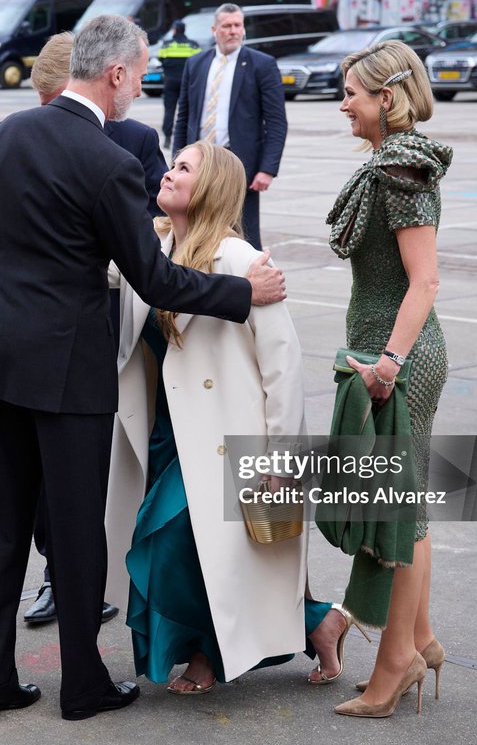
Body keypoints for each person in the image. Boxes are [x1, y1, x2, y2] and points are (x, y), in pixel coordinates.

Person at [0, 13, 287, 724]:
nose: (140, 89)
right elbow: (156, 279)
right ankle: (83, 686)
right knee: (77, 534)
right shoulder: (107, 161)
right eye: (140, 76)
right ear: (114, 75)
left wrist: (31, 268)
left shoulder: (7, 132)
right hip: (70, 368)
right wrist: (243, 293)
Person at [104, 140, 358, 696]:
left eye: (183, 168)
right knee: (201, 549)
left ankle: (206, 654)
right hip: (165, 430)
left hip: (226, 435)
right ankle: (319, 621)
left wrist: (282, 459)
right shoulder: (153, 250)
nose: (168, 173)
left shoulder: (243, 262)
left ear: (211, 188)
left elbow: (282, 366)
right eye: (172, 165)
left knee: (175, 541)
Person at [18, 31, 164, 628]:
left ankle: (105, 572)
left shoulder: (133, 140)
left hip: (114, 317)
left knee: (105, 459)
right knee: (47, 471)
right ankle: (58, 571)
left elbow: (163, 215)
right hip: (50, 325)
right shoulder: (26, 134)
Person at [326, 39, 451, 718]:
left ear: (387, 98)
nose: (343, 102)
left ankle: (395, 662)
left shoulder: (402, 166)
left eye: (352, 92)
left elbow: (424, 279)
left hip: (399, 358)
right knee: (406, 509)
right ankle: (421, 638)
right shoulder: (384, 159)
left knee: (404, 514)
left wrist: (391, 361)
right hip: (381, 351)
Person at [174, 4, 287, 250]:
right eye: (227, 26)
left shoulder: (262, 65)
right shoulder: (195, 64)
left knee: (242, 237)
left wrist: (267, 169)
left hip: (240, 167)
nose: (233, 31)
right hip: (200, 163)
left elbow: (277, 121)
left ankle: (250, 285)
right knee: (195, 230)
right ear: (215, 30)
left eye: (238, 25)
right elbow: (183, 116)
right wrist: (177, 162)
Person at [158, 20, 200, 149]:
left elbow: (161, 59)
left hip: (170, 82)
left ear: (175, 30)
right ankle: (188, 138)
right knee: (187, 111)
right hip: (186, 84)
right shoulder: (193, 46)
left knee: (169, 110)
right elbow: (198, 62)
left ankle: (167, 138)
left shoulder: (166, 45)